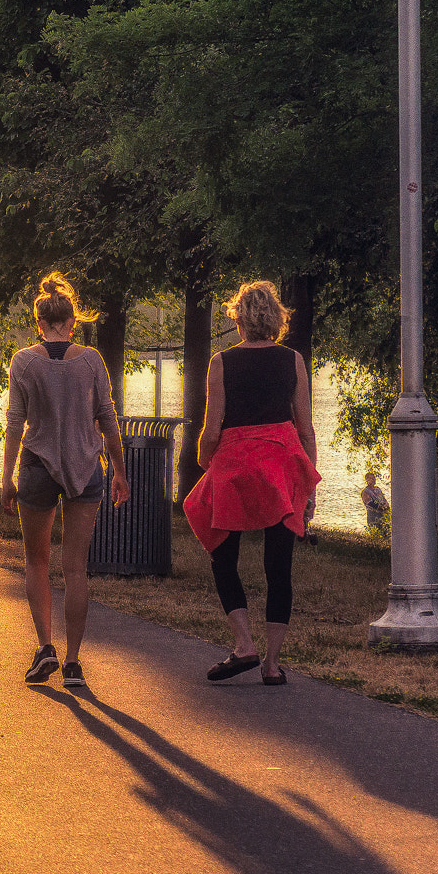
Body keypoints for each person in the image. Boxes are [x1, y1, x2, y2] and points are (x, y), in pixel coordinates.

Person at [184, 281, 322, 687]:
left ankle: (244, 644)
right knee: (279, 568)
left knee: (222, 557)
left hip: (236, 465)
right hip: (281, 464)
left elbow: (212, 430)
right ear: (277, 319)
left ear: (238, 319)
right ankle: (272, 665)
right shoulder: (293, 360)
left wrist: (204, 461)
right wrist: (309, 484)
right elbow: (306, 428)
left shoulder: (221, 362)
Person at [1, 272, 128, 690]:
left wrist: (6, 477)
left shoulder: (23, 361)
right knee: (76, 567)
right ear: (73, 323)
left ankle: (45, 648)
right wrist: (120, 472)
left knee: (36, 560)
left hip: (36, 467)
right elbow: (107, 418)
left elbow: (16, 423)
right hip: (86, 468)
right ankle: (73, 663)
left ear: (40, 323)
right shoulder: (91, 360)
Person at [362, 469, 391, 537]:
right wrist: (382, 508)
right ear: (366, 480)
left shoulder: (378, 489)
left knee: (386, 535)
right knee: (376, 536)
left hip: (383, 517)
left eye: (373, 478)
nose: (372, 480)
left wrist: (387, 507)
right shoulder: (365, 491)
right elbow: (370, 504)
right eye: (370, 479)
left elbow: (384, 500)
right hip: (373, 517)